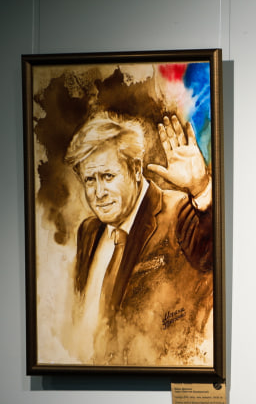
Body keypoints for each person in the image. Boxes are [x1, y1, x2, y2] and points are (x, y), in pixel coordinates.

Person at [66, 112, 215, 364]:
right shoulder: (88, 232)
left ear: (135, 169)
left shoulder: (179, 211)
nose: (99, 193)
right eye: (90, 180)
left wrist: (200, 188)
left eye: (108, 176)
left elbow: (212, 254)